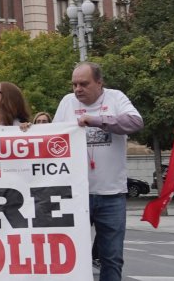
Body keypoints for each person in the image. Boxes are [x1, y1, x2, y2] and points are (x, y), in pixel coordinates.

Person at [54, 62, 143, 281]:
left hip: (111, 195)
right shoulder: (67, 102)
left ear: (99, 83)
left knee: (111, 257)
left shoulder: (116, 98)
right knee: (71, 256)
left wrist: (96, 120)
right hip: (75, 196)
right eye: (74, 84)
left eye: (83, 84)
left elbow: (134, 122)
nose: (77, 89)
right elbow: (51, 137)